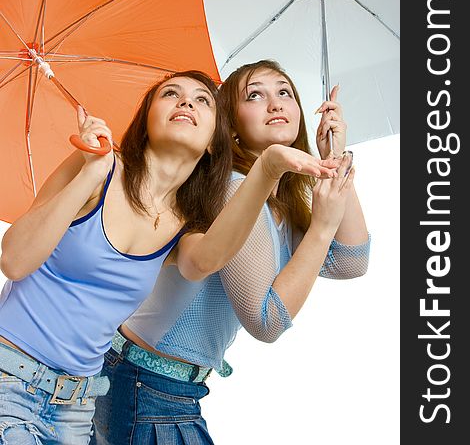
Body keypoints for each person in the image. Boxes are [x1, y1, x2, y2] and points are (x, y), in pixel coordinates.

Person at [0, 69, 337, 445]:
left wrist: (267, 167)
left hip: (77, 407)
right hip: (9, 379)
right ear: (146, 121)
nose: (187, 102)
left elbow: (205, 262)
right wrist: (89, 175)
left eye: (203, 100)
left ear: (213, 141)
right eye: (170, 94)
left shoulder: (183, 222)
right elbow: (15, 259)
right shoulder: (97, 165)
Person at [91, 60, 370, 445]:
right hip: (147, 388)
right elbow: (265, 321)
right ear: (230, 127)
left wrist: (336, 161)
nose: (275, 104)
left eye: (284, 92)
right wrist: (323, 227)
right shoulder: (235, 190)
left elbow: (351, 260)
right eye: (255, 95)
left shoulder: (280, 205)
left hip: (156, 388)